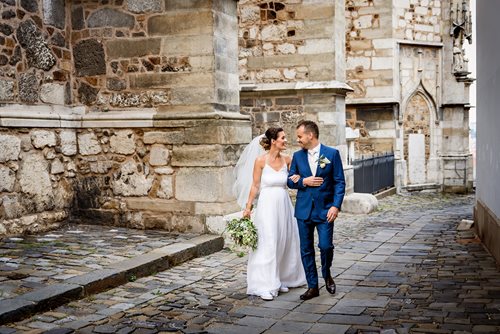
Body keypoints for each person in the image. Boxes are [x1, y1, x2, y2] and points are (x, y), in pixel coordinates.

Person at [234, 127, 306, 301]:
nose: (285, 140)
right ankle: (264, 284)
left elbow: (294, 180)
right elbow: (255, 186)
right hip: (267, 205)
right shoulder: (260, 161)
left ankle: (279, 278)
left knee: (284, 241)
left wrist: (297, 179)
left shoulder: (288, 159)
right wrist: (248, 207)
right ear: (273, 141)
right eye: (282, 138)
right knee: (268, 242)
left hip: (284, 204)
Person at [287, 120, 346, 300]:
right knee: (306, 249)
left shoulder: (332, 154)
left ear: (310, 135)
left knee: (325, 246)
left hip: (325, 210)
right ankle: (313, 286)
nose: (298, 140)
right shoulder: (297, 156)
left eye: (300, 136)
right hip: (303, 211)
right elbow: (289, 180)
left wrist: (335, 206)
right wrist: (303, 181)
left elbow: (339, 182)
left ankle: (326, 273)